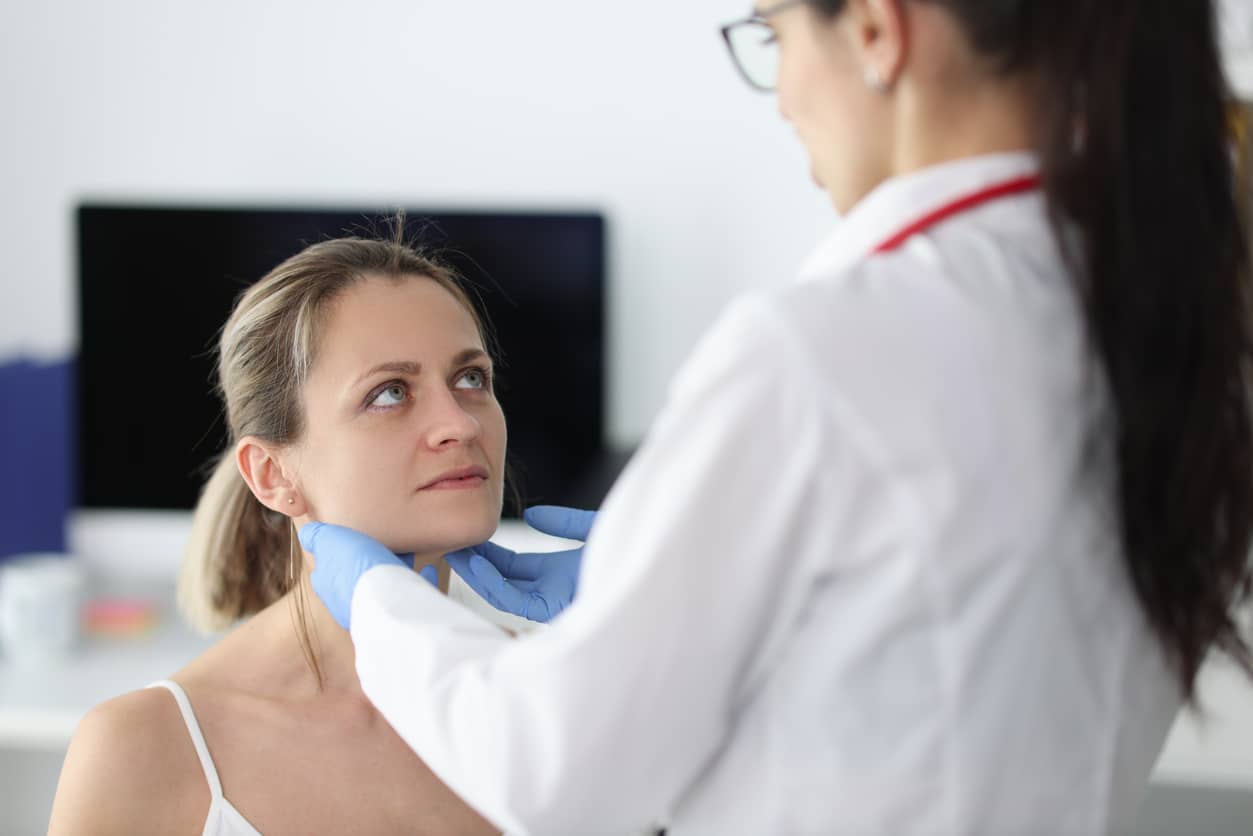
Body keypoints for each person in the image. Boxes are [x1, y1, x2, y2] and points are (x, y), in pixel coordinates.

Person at [301, 1, 1253, 833]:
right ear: (271, 465)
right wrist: (700, 593)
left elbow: (550, 776)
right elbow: (944, 681)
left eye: (771, 35)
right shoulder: (1172, 338)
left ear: (876, 29)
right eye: (389, 392)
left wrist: (381, 604)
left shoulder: (821, 353)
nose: (784, 93)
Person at [47, 236, 518, 835]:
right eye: (390, 392)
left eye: (471, 377)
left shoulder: (544, 687)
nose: (460, 422)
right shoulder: (144, 749)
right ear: (272, 475)